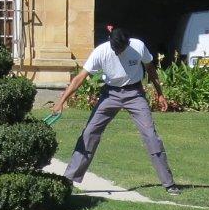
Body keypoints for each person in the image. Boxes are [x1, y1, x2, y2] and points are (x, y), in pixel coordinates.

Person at [47, 26, 182, 196]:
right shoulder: (100, 52)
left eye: (120, 48)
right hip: (110, 94)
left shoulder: (138, 46)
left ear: (128, 44)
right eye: (114, 48)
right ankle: (69, 178)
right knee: (89, 133)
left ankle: (169, 183)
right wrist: (61, 101)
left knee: (151, 135)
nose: (117, 51)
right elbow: (79, 78)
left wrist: (160, 94)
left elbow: (151, 70)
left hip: (135, 93)